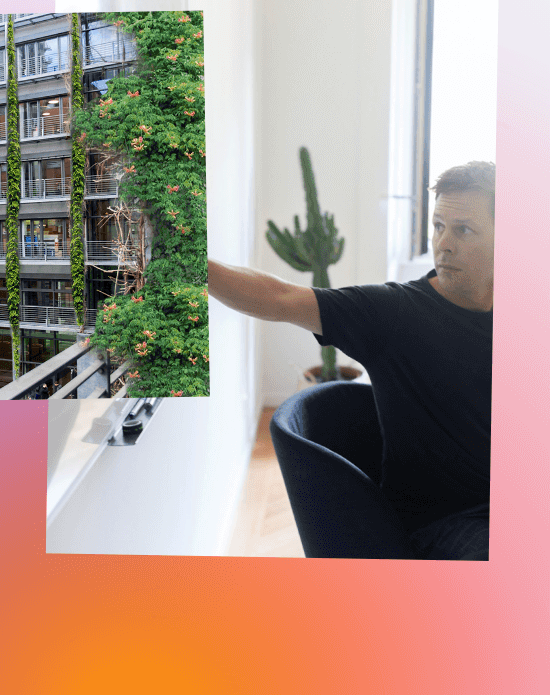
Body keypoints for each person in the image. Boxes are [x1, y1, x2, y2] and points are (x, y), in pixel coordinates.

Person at [206, 161, 494, 560]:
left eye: (463, 230)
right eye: (438, 225)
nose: (443, 243)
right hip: (444, 525)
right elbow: (279, 298)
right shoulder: (395, 313)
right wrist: (190, 266)